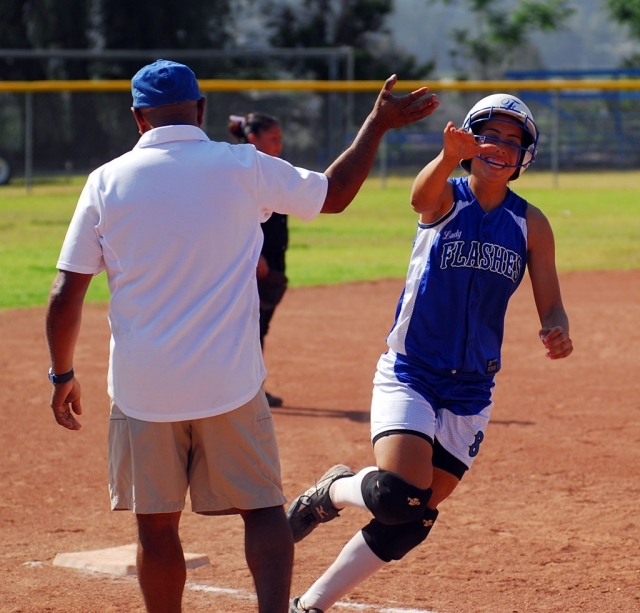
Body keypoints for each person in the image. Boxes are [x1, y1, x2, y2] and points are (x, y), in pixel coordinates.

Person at [45, 58, 439, 613]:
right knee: (261, 511)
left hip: (142, 391)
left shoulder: (105, 181)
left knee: (156, 528)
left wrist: (62, 372)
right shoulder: (242, 164)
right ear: (200, 109)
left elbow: (67, 291)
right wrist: (375, 122)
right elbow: (334, 193)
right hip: (229, 382)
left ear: (138, 119)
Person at [286, 94, 574, 613]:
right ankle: (329, 494)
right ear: (469, 138)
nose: (501, 147)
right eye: (490, 134)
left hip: (471, 389)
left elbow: (550, 302)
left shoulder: (530, 224)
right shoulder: (448, 197)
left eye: (514, 141)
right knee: (398, 494)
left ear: (525, 157)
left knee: (411, 520)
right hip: (411, 371)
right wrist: (445, 158)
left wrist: (557, 328)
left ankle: (309, 606)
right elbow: (420, 198)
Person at [228, 112, 287, 408]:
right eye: (272, 139)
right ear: (253, 140)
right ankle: (244, 393)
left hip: (273, 259)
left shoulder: (273, 170)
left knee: (260, 327)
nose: (279, 144)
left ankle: (253, 390)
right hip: (254, 261)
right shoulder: (244, 171)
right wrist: (257, 254)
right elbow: (237, 217)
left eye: (280, 138)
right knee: (247, 327)